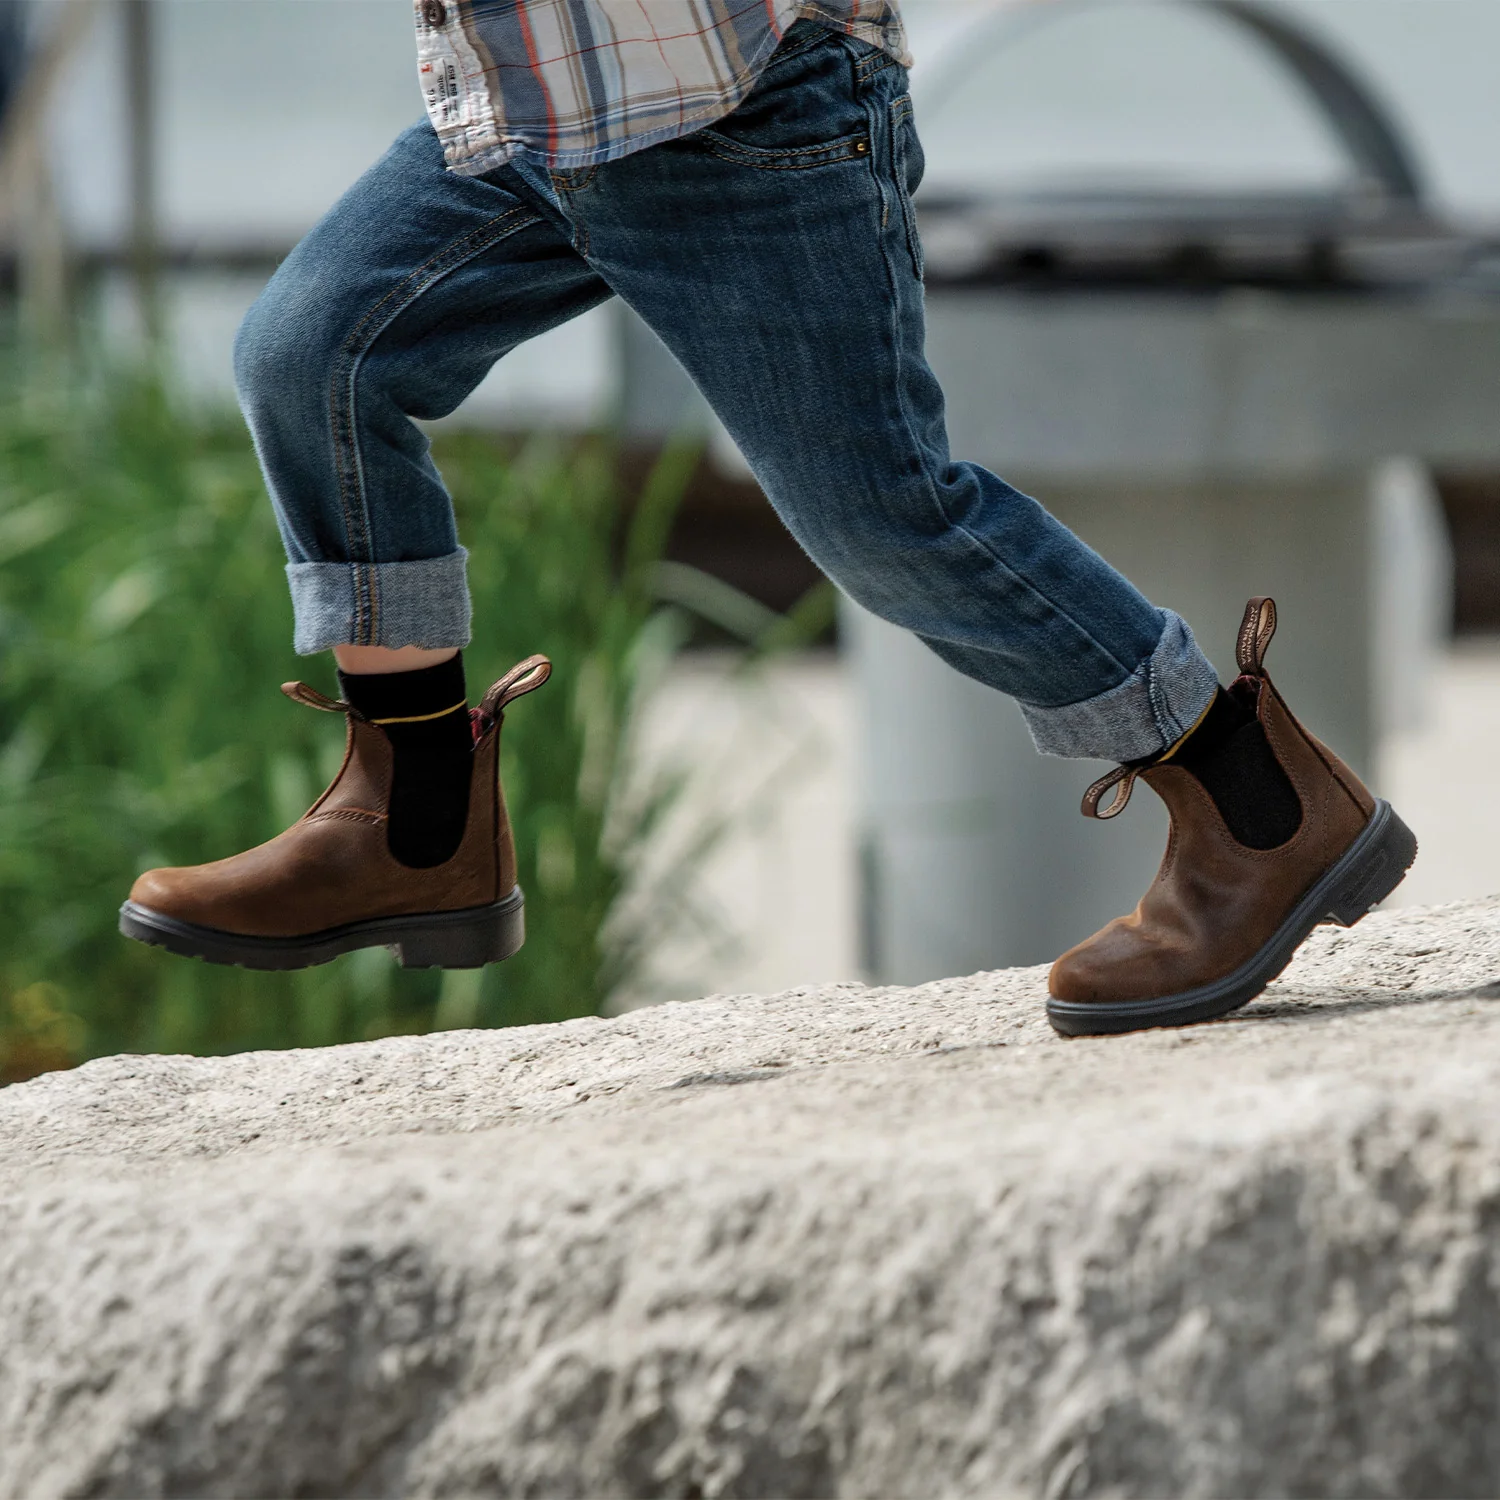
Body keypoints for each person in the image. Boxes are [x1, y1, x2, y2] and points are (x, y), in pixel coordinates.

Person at [118, 1, 1415, 1035]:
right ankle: (417, 827)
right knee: (315, 358)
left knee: (890, 520)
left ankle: (1261, 800)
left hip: (742, 113)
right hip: (538, 121)